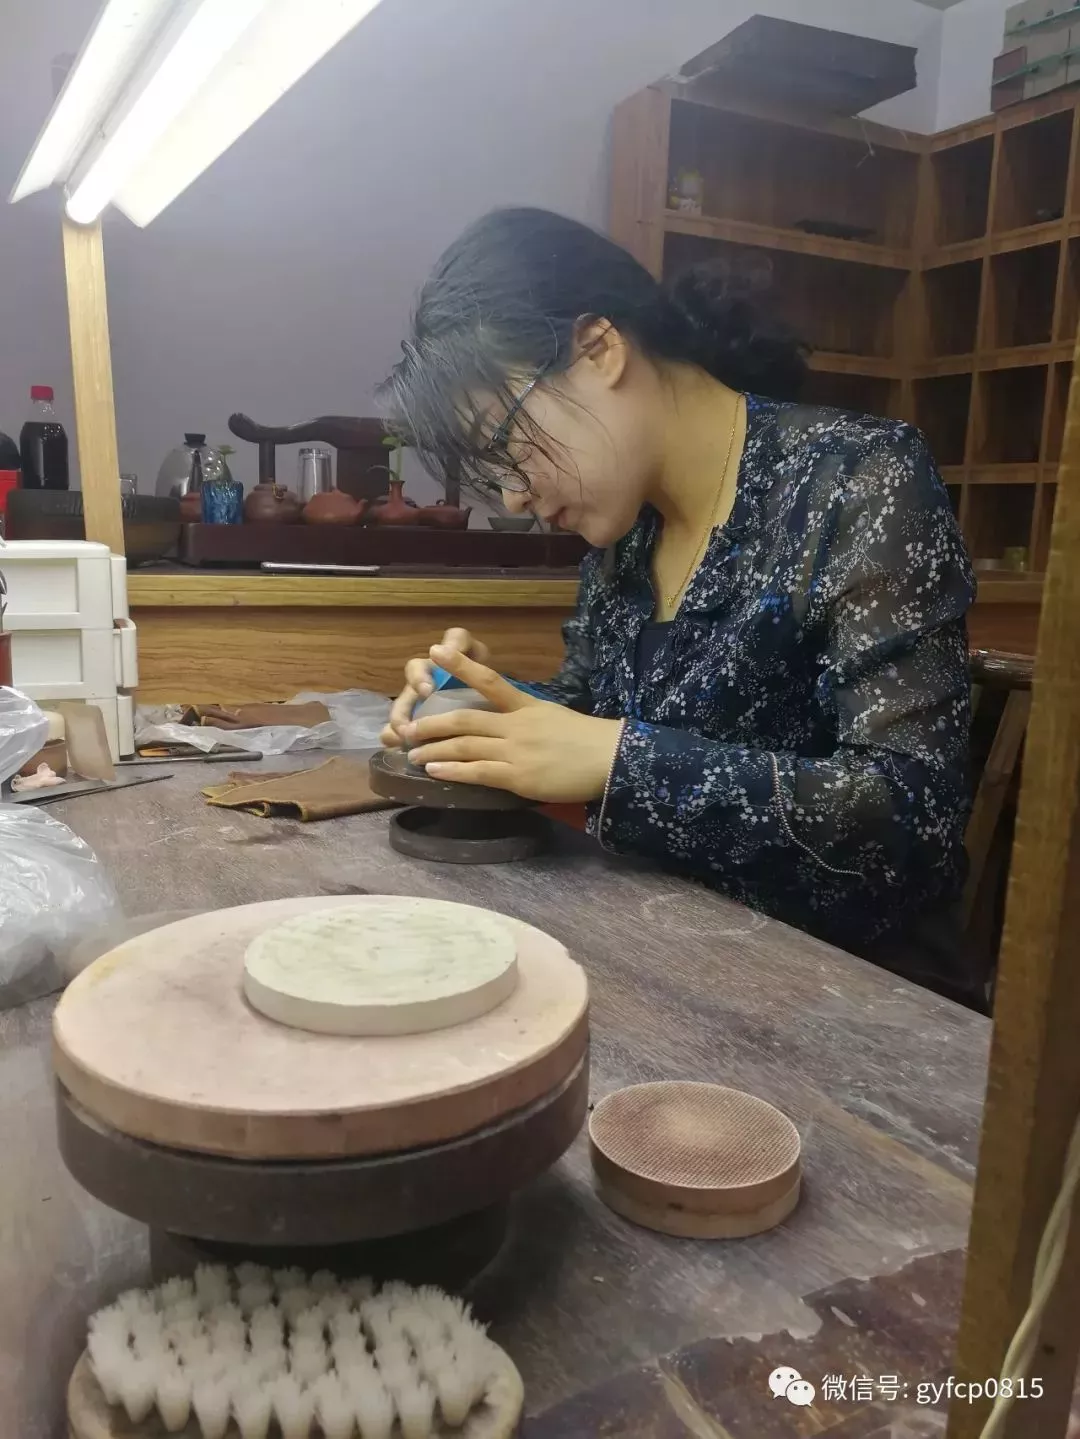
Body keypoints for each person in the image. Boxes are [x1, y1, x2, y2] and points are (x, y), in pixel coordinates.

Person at [378, 206, 975, 972]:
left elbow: (912, 816)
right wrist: (483, 704)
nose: (515, 496)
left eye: (505, 446)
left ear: (599, 349)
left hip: (848, 985)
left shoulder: (858, 477)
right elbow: (593, 717)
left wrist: (622, 762)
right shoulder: (630, 531)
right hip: (665, 945)